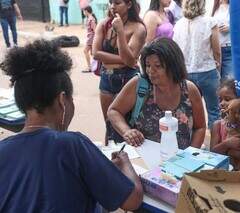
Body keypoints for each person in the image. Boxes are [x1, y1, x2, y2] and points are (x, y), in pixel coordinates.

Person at [0, 39, 143, 212]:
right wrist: (125, 163)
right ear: (62, 101)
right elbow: (132, 200)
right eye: (71, 99)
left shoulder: (3, 150)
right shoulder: (71, 144)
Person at [108, 38, 206, 149]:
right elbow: (114, 111)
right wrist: (127, 131)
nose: (151, 71)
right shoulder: (139, 85)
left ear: (173, 66)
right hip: (144, 158)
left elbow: (200, 127)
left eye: (158, 66)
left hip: (181, 162)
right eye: (148, 65)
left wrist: (190, 156)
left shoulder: (189, 90)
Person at [92, 0, 146, 145]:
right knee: (109, 124)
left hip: (128, 79)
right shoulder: (104, 24)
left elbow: (129, 61)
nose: (112, 6)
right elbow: (96, 53)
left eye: (117, 2)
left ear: (129, 5)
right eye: (110, 2)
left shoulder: (138, 28)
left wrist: (121, 32)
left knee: (126, 126)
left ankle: (127, 161)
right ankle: (109, 159)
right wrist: (124, 58)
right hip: (107, 77)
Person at [173, 0, 221, 129]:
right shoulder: (210, 22)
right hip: (207, 71)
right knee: (214, 111)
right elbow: (216, 50)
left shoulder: (178, 24)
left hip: (186, 73)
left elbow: (176, 51)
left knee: (189, 111)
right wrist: (218, 65)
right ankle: (214, 146)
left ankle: (190, 142)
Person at [212, 0, 233, 81]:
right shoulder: (213, 8)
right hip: (214, 50)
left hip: (228, 48)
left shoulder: (233, 7)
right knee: (216, 81)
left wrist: (230, 27)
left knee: (228, 81)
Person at [82, 6, 97, 73]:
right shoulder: (89, 18)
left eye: (84, 11)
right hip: (90, 38)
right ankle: (95, 67)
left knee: (85, 51)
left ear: (86, 11)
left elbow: (95, 30)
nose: (83, 12)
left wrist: (95, 39)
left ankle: (89, 67)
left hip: (91, 39)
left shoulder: (91, 19)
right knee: (93, 53)